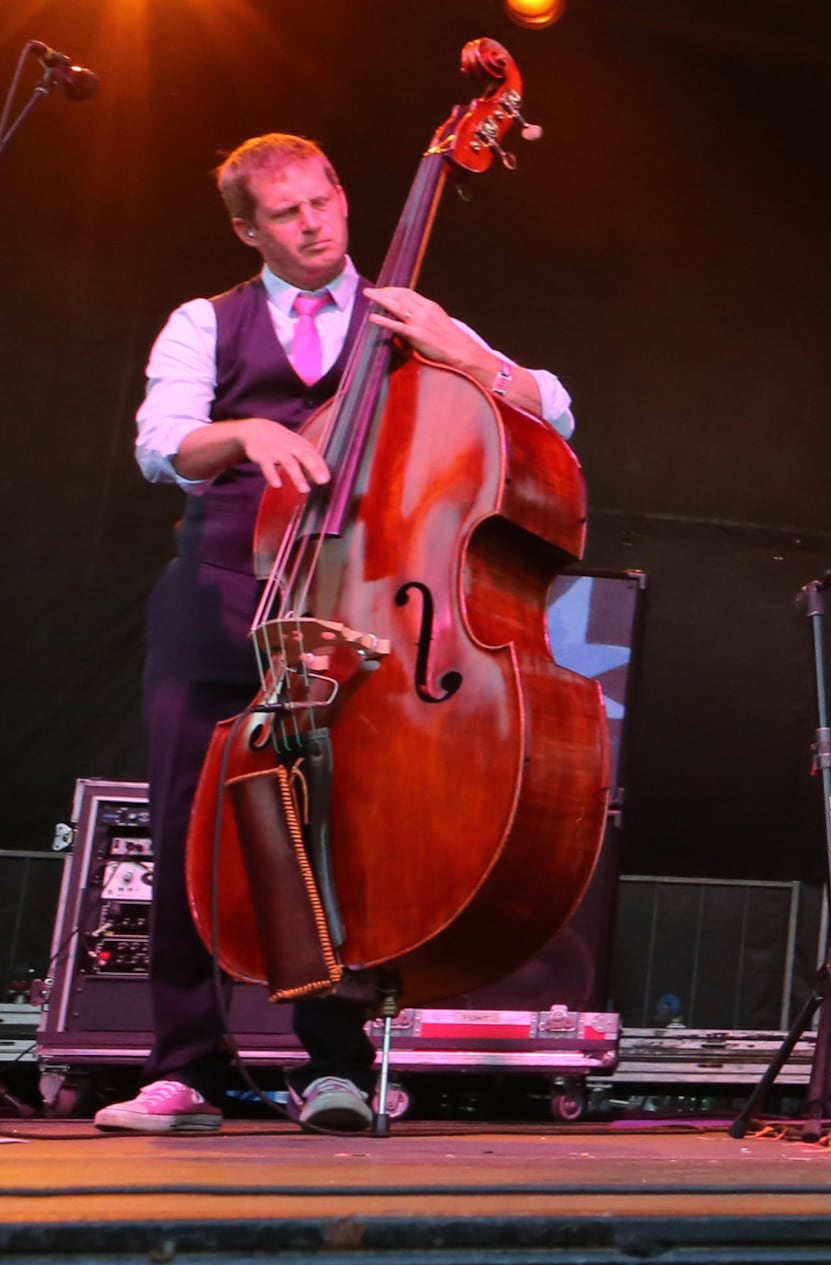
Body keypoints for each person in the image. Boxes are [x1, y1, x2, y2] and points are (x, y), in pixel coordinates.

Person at [109, 132, 576, 1135]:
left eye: (324, 200)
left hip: (356, 609)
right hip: (225, 589)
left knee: (331, 822)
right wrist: (248, 434)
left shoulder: (402, 314)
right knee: (193, 822)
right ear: (249, 227)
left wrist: (469, 354)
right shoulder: (208, 320)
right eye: (287, 212)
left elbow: (557, 409)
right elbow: (162, 441)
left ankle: (334, 1064)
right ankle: (184, 1064)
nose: (314, 222)